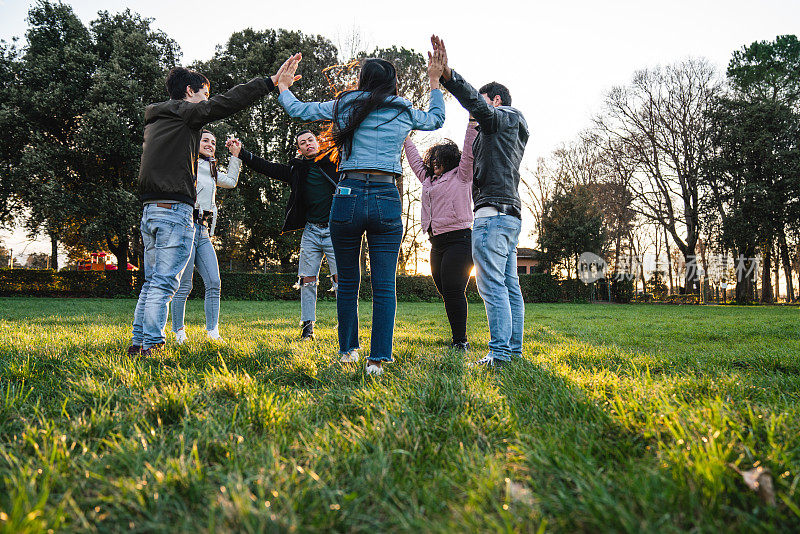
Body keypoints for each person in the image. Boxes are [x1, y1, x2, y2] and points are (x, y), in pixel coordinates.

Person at [275, 49, 446, 375]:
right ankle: (378, 359)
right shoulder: (402, 109)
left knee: (348, 282)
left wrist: (283, 86)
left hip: (348, 194)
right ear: (392, 83)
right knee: (384, 286)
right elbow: (436, 119)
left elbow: (299, 109)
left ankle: (349, 352)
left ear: (362, 80)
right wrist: (434, 82)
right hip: (385, 196)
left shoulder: (344, 105)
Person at [129, 57, 300, 357]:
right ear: (189, 92)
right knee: (166, 283)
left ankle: (139, 341)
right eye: (203, 95)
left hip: (151, 209)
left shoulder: (157, 120)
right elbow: (226, 103)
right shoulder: (183, 114)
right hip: (175, 211)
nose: (206, 103)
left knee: (151, 282)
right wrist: (271, 82)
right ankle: (152, 345)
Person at [431, 35, 529, 369]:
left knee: (491, 287)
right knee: (510, 286)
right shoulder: (507, 131)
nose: (478, 113)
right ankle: (512, 352)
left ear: (496, 100)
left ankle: (499, 354)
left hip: (492, 215)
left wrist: (448, 77)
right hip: (510, 215)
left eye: (485, 104)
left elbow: (478, 106)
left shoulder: (505, 117)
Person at [233, 129, 339, 340]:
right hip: (311, 231)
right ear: (299, 149)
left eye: (311, 140)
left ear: (317, 143)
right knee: (307, 279)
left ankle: (345, 323)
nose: (308, 144)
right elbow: (267, 167)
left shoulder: (334, 162)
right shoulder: (296, 170)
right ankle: (308, 326)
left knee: (341, 280)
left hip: (335, 230)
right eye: (303, 142)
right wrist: (241, 152)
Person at [403, 120, 478, 351]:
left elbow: (468, 149)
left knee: (454, 290)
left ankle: (460, 341)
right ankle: (458, 336)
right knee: (445, 290)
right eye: (432, 159)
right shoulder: (428, 180)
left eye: (440, 159)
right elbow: (414, 158)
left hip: (460, 239)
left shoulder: (462, 174)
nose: (435, 162)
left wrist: (472, 122)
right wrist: (404, 134)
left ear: (449, 160)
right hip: (436, 243)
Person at [170, 129, 241, 344]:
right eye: (205, 140)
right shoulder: (186, 164)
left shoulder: (211, 169)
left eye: (213, 142)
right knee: (184, 285)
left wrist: (235, 156)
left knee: (214, 281)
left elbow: (230, 181)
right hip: (185, 227)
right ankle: (178, 332)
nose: (210, 144)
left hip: (203, 231)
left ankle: (212, 332)